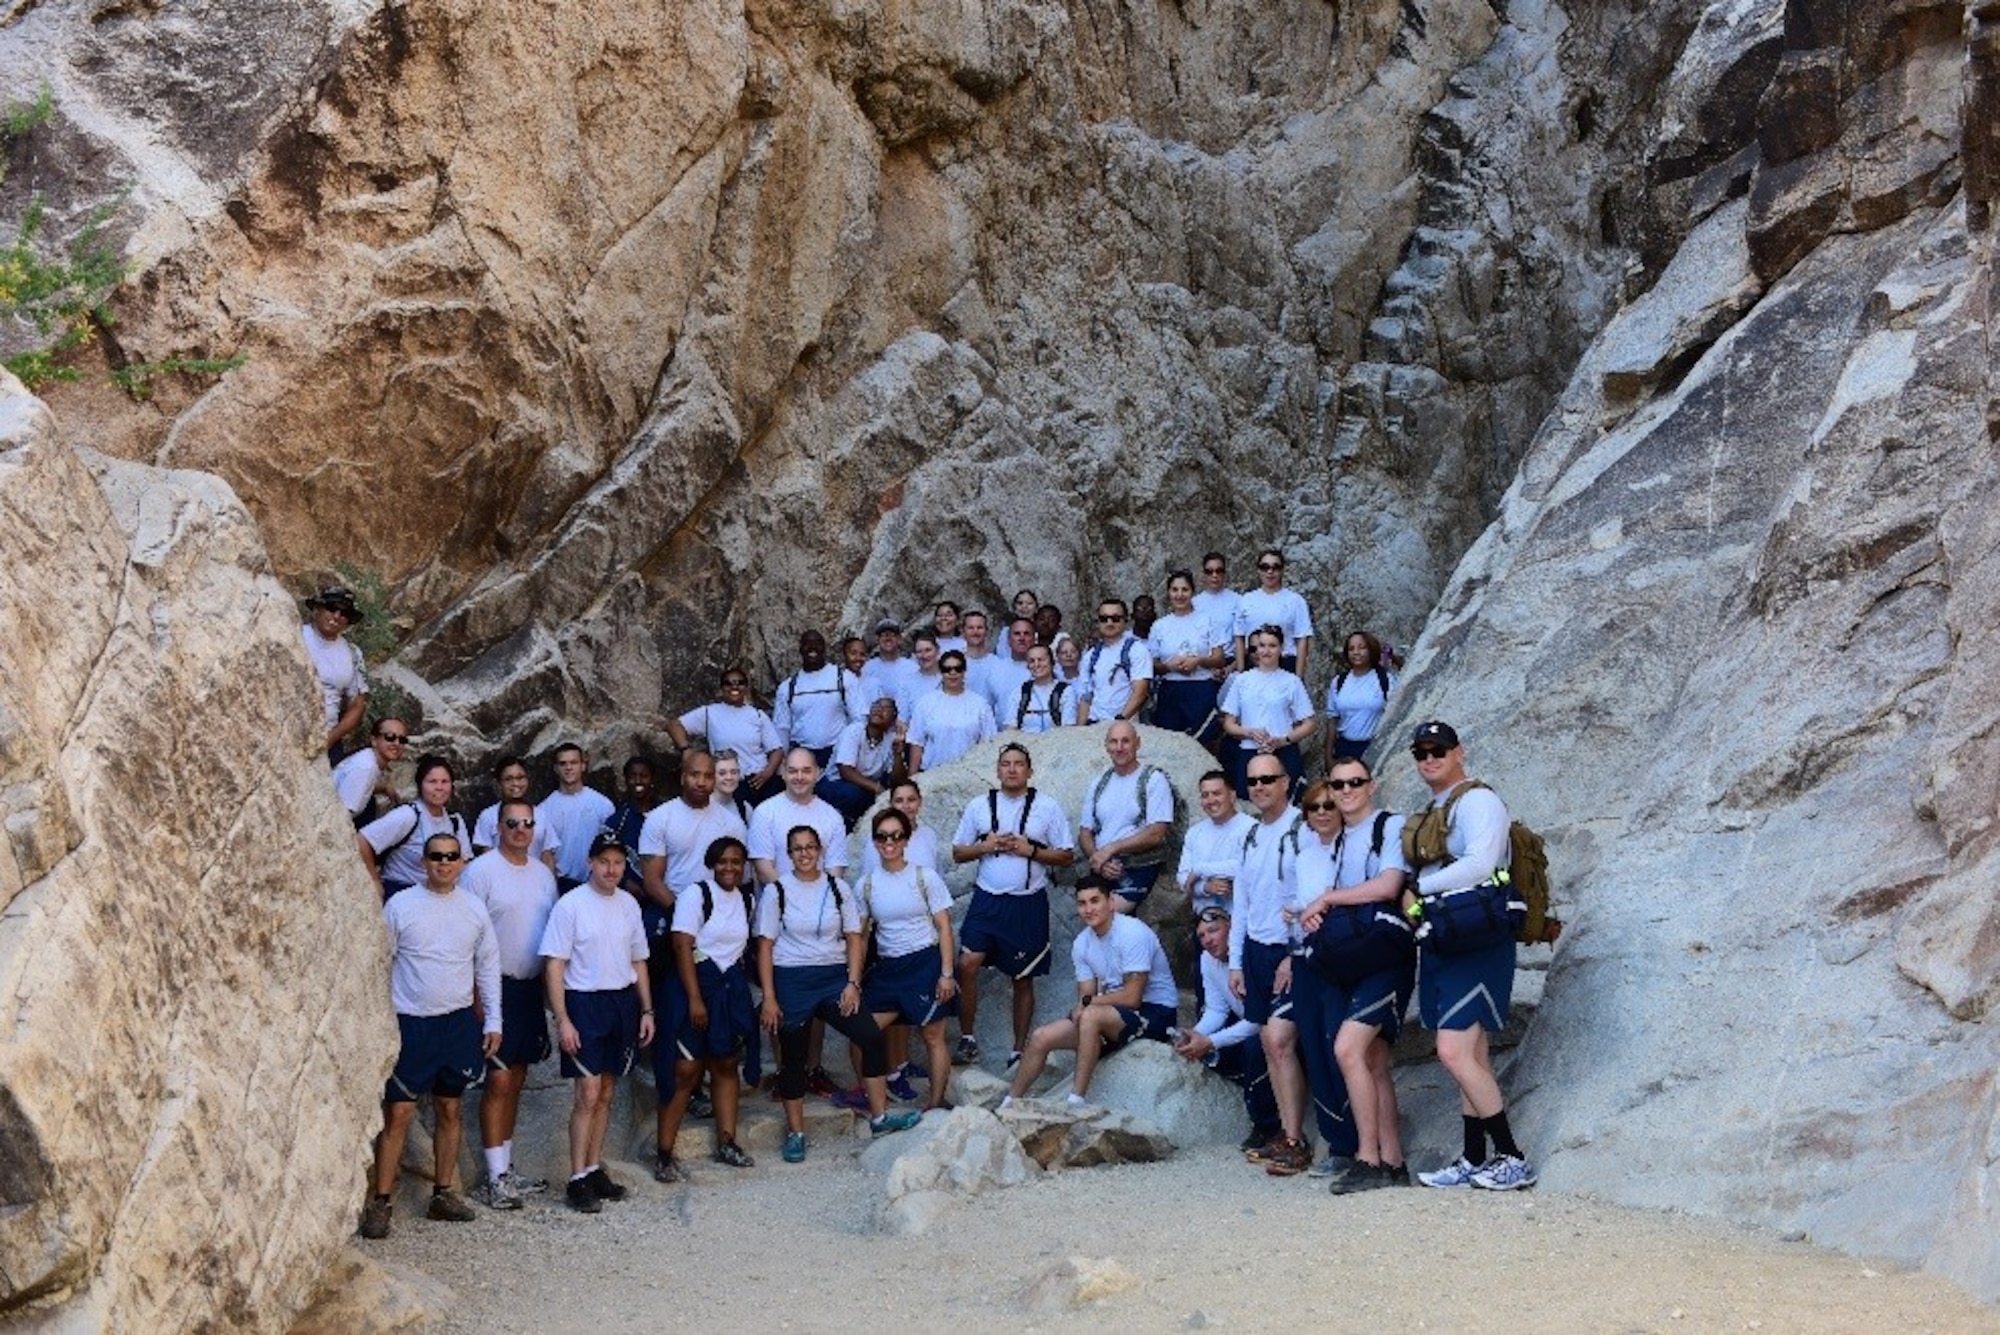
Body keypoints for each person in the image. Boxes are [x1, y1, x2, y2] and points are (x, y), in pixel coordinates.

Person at [1403, 721, 1537, 1191]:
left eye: (1438, 749)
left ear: (1459, 751)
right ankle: (1475, 1157)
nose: (1429, 758)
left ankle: (1511, 1157)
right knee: (1471, 1052)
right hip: (1445, 936)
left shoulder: (1479, 800)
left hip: (1477, 937)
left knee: (1452, 1051)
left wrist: (1416, 888)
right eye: (1420, 752)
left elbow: (1481, 862)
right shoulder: (1437, 807)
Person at [359, 830, 500, 1239]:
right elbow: (381, 963)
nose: (443, 863)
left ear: (462, 862)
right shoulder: (401, 905)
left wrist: (493, 1022)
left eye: (452, 856)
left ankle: (443, 1193)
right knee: (399, 1113)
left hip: (456, 1023)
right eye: (436, 856)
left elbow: (487, 966)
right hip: (411, 1022)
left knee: (450, 1109)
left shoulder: (474, 908)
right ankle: (381, 1201)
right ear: (424, 862)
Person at [757, 826, 921, 1162]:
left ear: (820, 851)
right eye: (797, 849)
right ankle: (796, 1132)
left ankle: (879, 1117)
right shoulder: (777, 891)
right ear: (788, 855)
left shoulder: (837, 887)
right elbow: (765, 945)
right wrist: (770, 996)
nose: (804, 854)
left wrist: (853, 982)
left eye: (810, 847)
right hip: (792, 977)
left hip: (833, 977)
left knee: (869, 1036)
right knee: (793, 1057)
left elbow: (854, 937)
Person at [1295, 760, 1413, 1192]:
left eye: (1354, 783)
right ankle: (1393, 1161)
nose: (1346, 791)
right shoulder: (1340, 838)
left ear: (1371, 785)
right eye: (1339, 784)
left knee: (1348, 1049)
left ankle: (1367, 1159)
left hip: (1386, 956)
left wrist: (1327, 898)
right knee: (1375, 1059)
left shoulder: (1389, 825)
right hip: (1355, 958)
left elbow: (1387, 885)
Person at [539, 831, 654, 1213]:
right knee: (586, 1094)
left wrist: (647, 1010)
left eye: (618, 862)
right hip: (584, 1002)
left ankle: (593, 1168)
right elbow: (554, 963)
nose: (611, 869)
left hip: (621, 1001)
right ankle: (575, 1178)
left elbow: (639, 960)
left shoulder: (629, 905)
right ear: (590, 862)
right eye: (604, 861)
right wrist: (564, 1019)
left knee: (606, 1093)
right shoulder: (570, 905)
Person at [460, 797, 559, 1210]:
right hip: (492, 986)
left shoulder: (542, 875)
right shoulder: (479, 872)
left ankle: (506, 1165)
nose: (521, 830)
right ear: (498, 827)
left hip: (528, 988)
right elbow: (464, 933)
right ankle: (494, 1176)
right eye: (513, 823)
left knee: (516, 1077)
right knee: (498, 1080)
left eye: (528, 824)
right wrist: (476, 995)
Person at [951, 743, 1075, 1066]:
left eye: (1018, 764)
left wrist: (1030, 851)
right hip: (987, 898)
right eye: (1005, 763)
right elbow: (958, 852)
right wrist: (986, 845)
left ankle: (1018, 1050)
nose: (1011, 769)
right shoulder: (979, 805)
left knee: (1023, 976)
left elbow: (1066, 855)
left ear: (1030, 771)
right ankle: (967, 1037)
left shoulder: (1047, 807)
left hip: (1027, 902)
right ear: (997, 770)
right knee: (967, 964)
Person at [1003, 882, 1177, 1106]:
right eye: (1082, 903)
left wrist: (1087, 1004)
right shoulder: (1082, 943)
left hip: (1155, 1013)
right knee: (1041, 1036)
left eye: (1095, 901)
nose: (1088, 909)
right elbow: (1086, 993)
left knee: (1090, 1015)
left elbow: (1132, 998)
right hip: (1112, 1013)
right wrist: (1084, 1005)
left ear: (1111, 902)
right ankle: (1009, 1103)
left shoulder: (1133, 933)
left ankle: (1076, 1100)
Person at [1228, 752, 1313, 1176]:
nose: (1259, 787)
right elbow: (1241, 901)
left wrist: (1295, 954)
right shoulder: (1249, 834)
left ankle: (1296, 1137)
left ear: (1286, 781)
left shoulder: (1301, 829)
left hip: (1288, 950)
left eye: (1268, 779)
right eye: (1253, 781)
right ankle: (1286, 1131)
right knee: (1268, 1043)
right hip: (1257, 949)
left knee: (1279, 1040)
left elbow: (1312, 891)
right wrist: (1235, 960)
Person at [747, 748, 850, 1094]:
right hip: (778, 918)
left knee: (819, 1001)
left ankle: (812, 1067)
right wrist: (790, 900)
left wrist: (816, 902)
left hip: (821, 921)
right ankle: (782, 1070)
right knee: (782, 999)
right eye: (793, 771)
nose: (800, 777)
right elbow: (763, 865)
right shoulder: (766, 812)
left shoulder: (832, 817)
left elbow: (835, 870)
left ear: (818, 773)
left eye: (806, 771)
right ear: (783, 773)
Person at [656, 836, 759, 1180]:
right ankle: (664, 1153)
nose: (729, 868)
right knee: (686, 1069)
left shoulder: (746, 899)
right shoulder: (695, 895)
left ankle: (727, 1141)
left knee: (726, 1063)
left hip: (728, 989)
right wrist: (696, 998)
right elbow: (682, 945)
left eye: (736, 862)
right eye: (723, 861)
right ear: (712, 863)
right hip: (696, 987)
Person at [859, 807, 959, 1111]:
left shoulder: (924, 877)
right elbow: (861, 937)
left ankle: (935, 1101)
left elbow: (944, 927)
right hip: (889, 966)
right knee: (862, 1030)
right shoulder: (866, 884)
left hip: (924, 961)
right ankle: (872, 1097)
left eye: (896, 835)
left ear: (906, 839)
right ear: (874, 841)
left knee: (932, 1034)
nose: (889, 842)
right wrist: (854, 979)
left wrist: (946, 972)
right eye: (882, 836)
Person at [1173, 905, 1281, 1150]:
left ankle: (1267, 1126)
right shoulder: (1207, 959)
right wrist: (1196, 1034)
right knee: (1216, 1055)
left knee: (1254, 1047)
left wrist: (1210, 1041)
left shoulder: (1250, 953)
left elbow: (1257, 1019)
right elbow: (1217, 1009)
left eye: (1214, 931)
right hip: (1250, 1024)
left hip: (1275, 1025)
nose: (1208, 940)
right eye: (1201, 936)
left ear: (1231, 928)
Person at [1077, 720, 1175, 912]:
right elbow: (1085, 832)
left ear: (1137, 743)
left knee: (1104, 914)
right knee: (1091, 915)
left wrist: (1111, 849)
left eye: (1125, 741)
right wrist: (1098, 859)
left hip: (1138, 866)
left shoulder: (1154, 779)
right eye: (1113, 742)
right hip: (1102, 866)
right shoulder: (1099, 782)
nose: (1119, 748)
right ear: (1106, 746)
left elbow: (1157, 833)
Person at [1218, 626, 1314, 799]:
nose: (1266, 650)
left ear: (1281, 649)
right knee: (1251, 807)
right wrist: (1248, 732)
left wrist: (1282, 741)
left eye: (1272, 645)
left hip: (1283, 752)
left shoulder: (1292, 681)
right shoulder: (1242, 680)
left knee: (1289, 804)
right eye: (1262, 645)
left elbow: (1309, 723)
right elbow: (1228, 723)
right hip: (1249, 751)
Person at [358, 755, 471, 897]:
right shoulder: (408, 815)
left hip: (440, 894)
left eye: (445, 782)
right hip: (402, 891)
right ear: (420, 785)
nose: (439, 787)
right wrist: (374, 880)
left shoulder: (455, 820)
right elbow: (363, 840)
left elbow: (464, 861)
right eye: (432, 782)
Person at [667, 668, 784, 803]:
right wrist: (685, 749)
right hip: (729, 783)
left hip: (761, 781)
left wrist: (767, 773)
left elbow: (776, 750)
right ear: (722, 688)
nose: (734, 686)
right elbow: (674, 725)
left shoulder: (758, 715)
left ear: (746, 687)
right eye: (728, 683)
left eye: (739, 683)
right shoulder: (709, 713)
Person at [1147, 570, 1228, 740]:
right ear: (1169, 593)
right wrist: (1169, 666)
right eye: (1175, 590)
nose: (1180, 595)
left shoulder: (1207, 620)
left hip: (1201, 687)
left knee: (1205, 740)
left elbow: (1219, 659)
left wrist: (1197, 660)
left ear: (1192, 592)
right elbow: (1152, 664)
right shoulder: (1160, 626)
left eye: (1185, 590)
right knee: (1171, 742)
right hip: (1170, 689)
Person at [774, 630, 862, 766]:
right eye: (807, 644)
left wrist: (850, 751)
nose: (812, 648)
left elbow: (859, 719)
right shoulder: (787, 687)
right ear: (800, 649)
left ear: (824, 648)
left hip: (837, 754)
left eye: (817, 644)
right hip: (801, 757)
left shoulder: (843, 678)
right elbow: (782, 729)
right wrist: (782, 763)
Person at [302, 583, 368, 756]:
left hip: (328, 738)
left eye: (344, 613)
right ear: (317, 609)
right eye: (331, 608)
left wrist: (330, 738)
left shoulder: (353, 653)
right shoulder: (296, 634)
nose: (337, 616)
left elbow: (357, 704)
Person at [538, 744, 616, 891]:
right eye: (563, 763)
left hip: (597, 882)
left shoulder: (603, 805)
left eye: (574, 762)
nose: (568, 768)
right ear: (556, 768)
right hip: (561, 884)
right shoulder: (543, 810)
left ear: (583, 766)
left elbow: (611, 847)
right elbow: (545, 854)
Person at [906, 649, 998, 773]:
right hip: (931, 774)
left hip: (968, 775)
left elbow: (988, 744)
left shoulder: (980, 704)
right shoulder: (926, 703)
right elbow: (917, 742)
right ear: (941, 672)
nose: (953, 673)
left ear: (964, 671)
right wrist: (912, 777)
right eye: (947, 669)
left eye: (958, 668)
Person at [821, 696, 904, 828]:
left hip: (865, 787)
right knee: (853, 794)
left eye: (886, 708)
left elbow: (896, 781)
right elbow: (845, 771)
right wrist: (876, 788)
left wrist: (898, 754)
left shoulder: (890, 738)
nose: (879, 709)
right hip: (835, 783)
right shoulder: (854, 730)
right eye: (876, 705)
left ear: (893, 719)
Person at [1177, 769, 1252, 913]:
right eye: (1205, 795)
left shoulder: (1250, 828)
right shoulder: (1194, 832)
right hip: (1204, 922)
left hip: (1240, 919)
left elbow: (1247, 867)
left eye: (1217, 793)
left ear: (1232, 796)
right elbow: (1183, 877)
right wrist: (1205, 887)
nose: (1211, 800)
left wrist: (1200, 869)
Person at [1236, 549, 1313, 679]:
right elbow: (1239, 637)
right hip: (1254, 664)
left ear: (1282, 570)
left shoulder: (1296, 601)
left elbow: (1302, 640)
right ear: (1258, 570)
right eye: (1265, 567)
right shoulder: (1245, 600)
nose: (1270, 571)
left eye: (1275, 567)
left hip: (1286, 664)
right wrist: (1241, 671)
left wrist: (1298, 677)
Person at [472, 757, 559, 870]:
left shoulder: (541, 814)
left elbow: (547, 855)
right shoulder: (488, 816)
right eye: (508, 779)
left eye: (520, 777)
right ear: (499, 783)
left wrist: (551, 884)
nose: (515, 783)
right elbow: (485, 856)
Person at [1075, 599, 1154, 725]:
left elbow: (1140, 692)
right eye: (1104, 618)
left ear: (1125, 621)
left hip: (1125, 727)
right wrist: (1080, 730)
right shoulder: (1090, 656)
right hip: (1094, 725)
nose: (1109, 623)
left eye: (1115, 618)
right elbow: (1086, 697)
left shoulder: (1137, 650)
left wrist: (1119, 722)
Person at [1324, 631, 1398, 762]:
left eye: (1362, 647)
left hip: (1373, 747)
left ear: (1371, 650)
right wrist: (1329, 757)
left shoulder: (1385, 680)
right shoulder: (1339, 681)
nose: (1356, 652)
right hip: (1344, 748)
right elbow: (1332, 720)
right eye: (1351, 649)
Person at [859, 779, 946, 878]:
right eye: (899, 801)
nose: (905, 806)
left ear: (920, 802)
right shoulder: (879, 839)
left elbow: (939, 877)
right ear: (891, 804)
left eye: (911, 799)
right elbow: (868, 879)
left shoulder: (929, 835)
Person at [332, 716, 406, 825]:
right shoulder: (365, 767)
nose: (397, 743)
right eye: (390, 737)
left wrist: (384, 787)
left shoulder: (367, 759)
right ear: (374, 740)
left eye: (402, 739)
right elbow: (342, 816)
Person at [607, 756, 657, 901]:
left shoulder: (667, 814)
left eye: (644, 776)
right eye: (632, 776)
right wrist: (625, 882)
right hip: (628, 897)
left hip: (664, 894)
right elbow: (603, 858)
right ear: (625, 780)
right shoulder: (617, 821)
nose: (638, 781)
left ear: (652, 779)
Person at [1193, 553, 1245, 676]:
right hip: (1203, 666)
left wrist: (1231, 668)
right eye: (1209, 571)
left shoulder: (1238, 600)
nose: (1214, 575)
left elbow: (1244, 639)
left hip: (1232, 664)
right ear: (1203, 575)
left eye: (1219, 571)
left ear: (1225, 573)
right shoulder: (1194, 604)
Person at [1006, 644, 1070, 734]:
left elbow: (1068, 730)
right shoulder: (1019, 692)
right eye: (1032, 661)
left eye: (1041, 660)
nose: (1036, 664)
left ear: (1052, 662)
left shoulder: (1066, 691)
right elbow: (1010, 729)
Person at [982, 617, 1035, 716]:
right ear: (1009, 640)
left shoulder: (1043, 669)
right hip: (1003, 730)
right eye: (1017, 634)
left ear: (1034, 639)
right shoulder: (995, 668)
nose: (1022, 638)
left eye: (1026, 634)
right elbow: (988, 706)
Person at [862, 618, 917, 710]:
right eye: (883, 635)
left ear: (899, 639)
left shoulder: (912, 667)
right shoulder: (867, 668)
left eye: (892, 634)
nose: (888, 638)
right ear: (877, 639)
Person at [895, 630, 945, 722]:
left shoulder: (950, 678)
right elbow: (902, 719)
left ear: (937, 650)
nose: (924, 656)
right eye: (919, 651)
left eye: (928, 650)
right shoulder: (906, 683)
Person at [713, 752, 754, 827]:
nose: (729, 777)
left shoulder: (744, 808)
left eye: (733, 772)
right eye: (722, 773)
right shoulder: (702, 807)